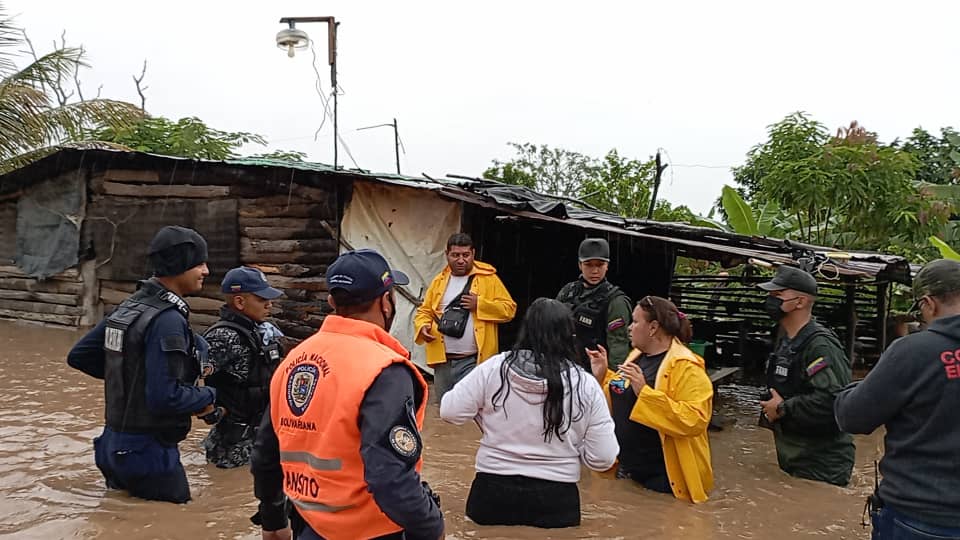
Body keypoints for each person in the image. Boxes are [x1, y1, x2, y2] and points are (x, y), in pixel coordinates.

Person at [251, 248, 443, 540]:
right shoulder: (384, 369)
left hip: (310, 524)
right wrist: (431, 528)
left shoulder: (294, 360)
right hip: (372, 530)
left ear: (331, 301)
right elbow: (389, 477)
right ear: (386, 302)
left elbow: (266, 451)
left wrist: (273, 519)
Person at [66, 225, 218, 504]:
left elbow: (80, 356)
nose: (206, 271)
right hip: (148, 453)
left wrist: (135, 376)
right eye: (200, 263)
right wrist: (208, 395)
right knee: (174, 527)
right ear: (179, 264)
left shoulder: (130, 305)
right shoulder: (168, 319)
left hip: (112, 446)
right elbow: (166, 397)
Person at [439, 298, 618, 528]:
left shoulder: (494, 368)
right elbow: (603, 459)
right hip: (557, 499)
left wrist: (484, 416)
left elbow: (448, 411)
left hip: (492, 491)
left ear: (525, 331)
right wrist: (573, 445)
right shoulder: (585, 384)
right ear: (569, 336)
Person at [835, 259, 960, 539]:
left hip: (921, 515)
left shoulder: (913, 351)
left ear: (929, 303)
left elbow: (852, 417)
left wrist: (851, 390)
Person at [587, 295, 714, 503]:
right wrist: (603, 375)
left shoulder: (686, 366)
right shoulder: (637, 355)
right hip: (626, 469)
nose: (629, 327)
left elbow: (695, 420)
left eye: (635, 321)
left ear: (653, 327)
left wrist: (644, 392)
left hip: (663, 477)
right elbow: (621, 393)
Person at [756, 265, 854, 486]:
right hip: (797, 458)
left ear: (800, 302)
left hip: (821, 464)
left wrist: (782, 408)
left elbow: (834, 400)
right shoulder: (788, 341)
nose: (770, 300)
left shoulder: (819, 346)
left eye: (777, 295)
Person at [414, 233, 517, 401]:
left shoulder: (488, 278)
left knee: (474, 412)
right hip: (443, 362)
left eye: (465, 255)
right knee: (445, 412)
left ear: (473, 254)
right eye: (455, 255)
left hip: (474, 362)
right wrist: (423, 326)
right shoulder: (439, 281)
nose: (461, 260)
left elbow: (509, 310)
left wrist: (480, 304)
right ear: (447, 254)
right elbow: (425, 311)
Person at [201, 266, 285, 469]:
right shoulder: (223, 337)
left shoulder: (263, 331)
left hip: (262, 437)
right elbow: (188, 375)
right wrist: (209, 410)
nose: (269, 305)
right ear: (239, 301)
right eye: (262, 299)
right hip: (232, 450)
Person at [556, 238, 633, 370]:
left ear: (607, 266)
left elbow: (618, 347)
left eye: (600, 265)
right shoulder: (568, 291)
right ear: (580, 265)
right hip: (563, 366)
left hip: (593, 373)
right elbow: (551, 327)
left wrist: (610, 382)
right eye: (588, 264)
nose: (595, 271)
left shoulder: (615, 301)